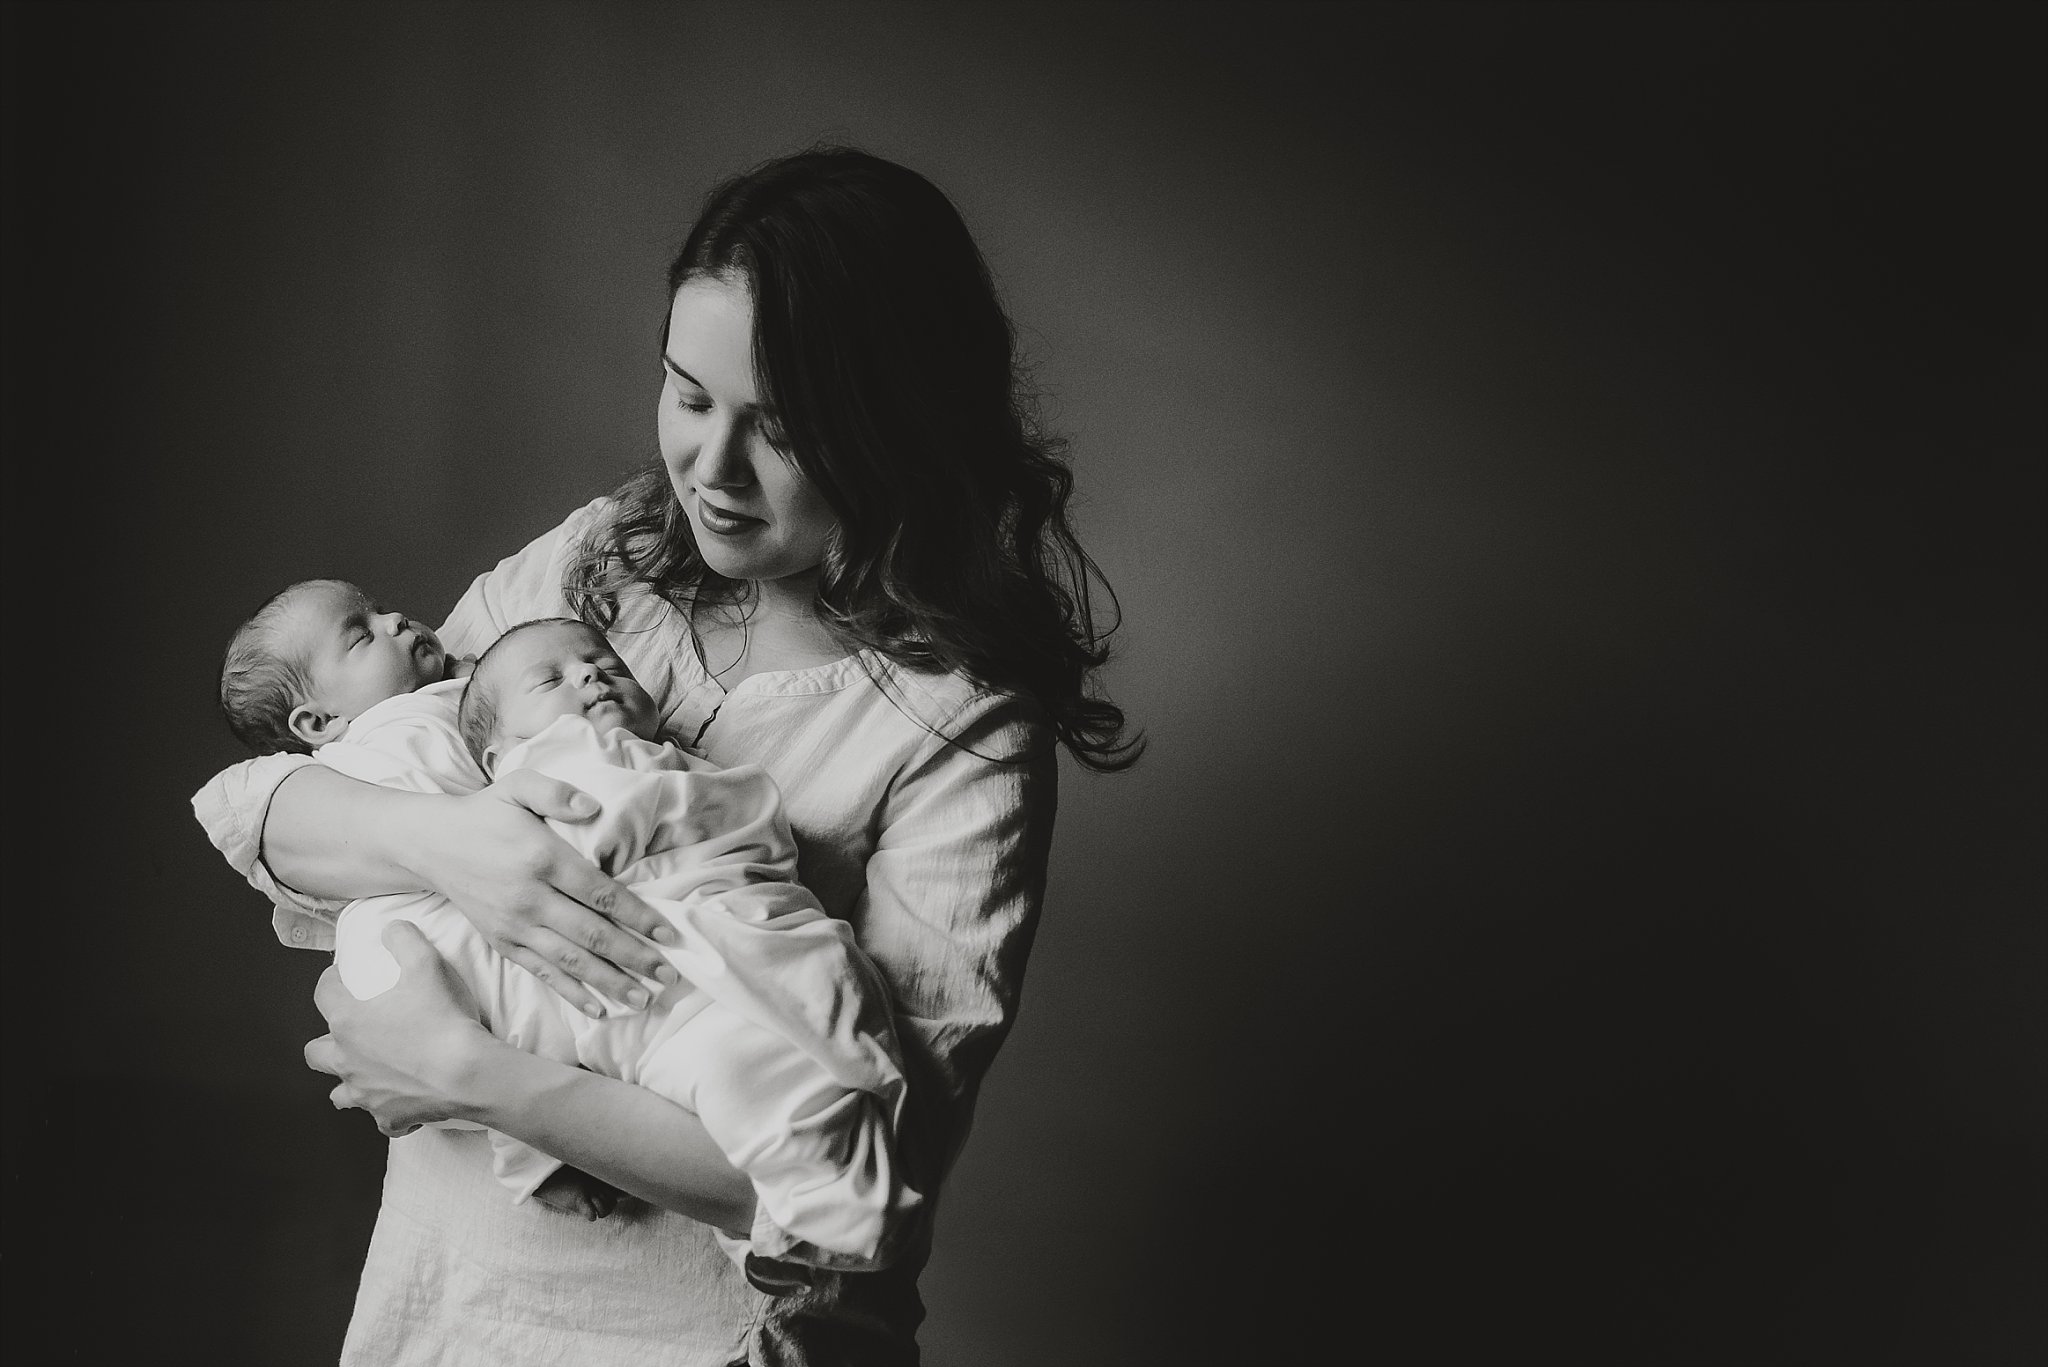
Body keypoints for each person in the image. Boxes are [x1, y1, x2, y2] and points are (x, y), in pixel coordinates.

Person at [191, 146, 1139, 1365]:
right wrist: (456, 846)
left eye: (781, 429)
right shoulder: (610, 553)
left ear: (895, 427)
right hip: (455, 1297)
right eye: (688, 395)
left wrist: (469, 1073)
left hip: (703, 1338)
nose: (710, 468)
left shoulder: (957, 725)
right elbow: (285, 798)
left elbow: (856, 1176)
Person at [213, 594, 922, 1268]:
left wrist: (472, 1072)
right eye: (362, 632)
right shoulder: (410, 717)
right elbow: (245, 802)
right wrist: (446, 837)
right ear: (314, 721)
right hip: (407, 940)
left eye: (606, 664)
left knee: (586, 1022)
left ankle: (547, 1149)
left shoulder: (462, 680)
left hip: (501, 984)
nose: (395, 618)